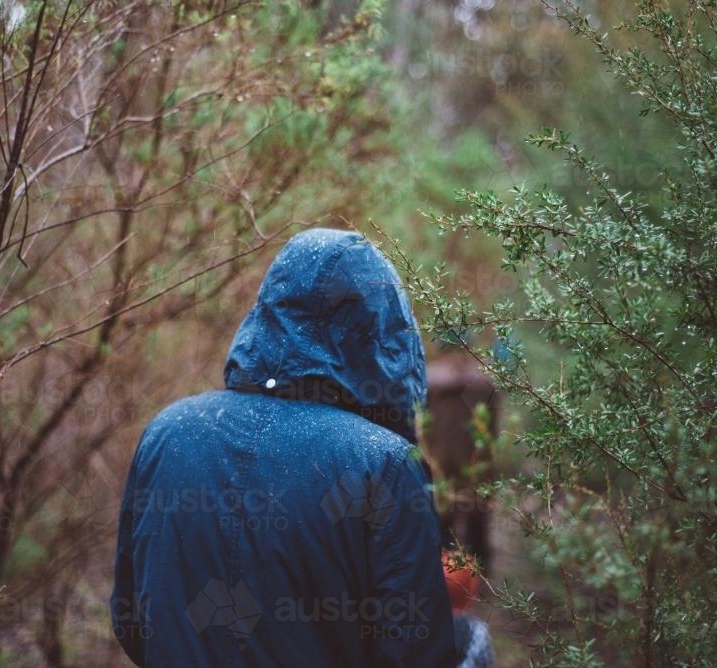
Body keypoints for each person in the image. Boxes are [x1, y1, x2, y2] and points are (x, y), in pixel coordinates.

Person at [111, 228, 459, 666]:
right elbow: (415, 654)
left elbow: (132, 620)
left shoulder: (167, 432)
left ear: (269, 309)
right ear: (384, 328)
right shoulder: (383, 464)